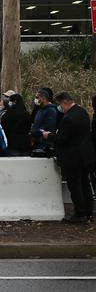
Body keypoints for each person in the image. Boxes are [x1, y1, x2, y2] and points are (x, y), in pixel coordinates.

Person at [45, 92, 95, 223]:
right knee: (85, 184)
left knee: (75, 186)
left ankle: (80, 213)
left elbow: (62, 138)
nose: (59, 107)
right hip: (85, 155)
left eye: (60, 104)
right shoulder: (82, 112)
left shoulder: (68, 118)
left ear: (65, 102)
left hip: (72, 157)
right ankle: (89, 211)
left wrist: (48, 135)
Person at [30, 88, 59, 157]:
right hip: (36, 142)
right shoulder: (40, 109)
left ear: (43, 98)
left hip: (44, 143)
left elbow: (49, 127)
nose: (36, 99)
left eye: (37, 97)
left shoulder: (51, 110)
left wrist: (38, 132)